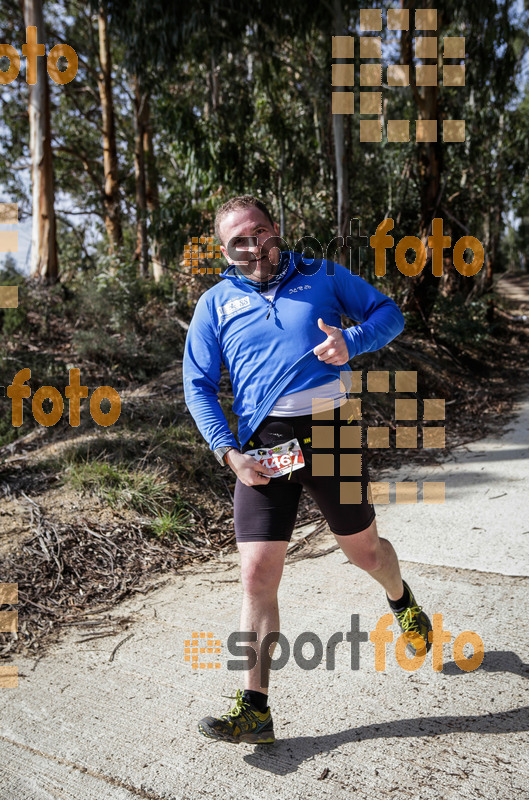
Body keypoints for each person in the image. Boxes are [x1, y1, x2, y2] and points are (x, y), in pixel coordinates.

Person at [182, 195, 432, 745]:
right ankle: (255, 709)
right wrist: (228, 451)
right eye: (238, 241)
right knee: (255, 575)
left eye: (260, 233)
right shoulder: (216, 304)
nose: (254, 247)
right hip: (263, 446)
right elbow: (197, 386)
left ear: (276, 228)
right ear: (225, 251)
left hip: (333, 432)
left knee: (364, 552)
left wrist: (353, 341)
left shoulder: (322, 275)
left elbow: (389, 313)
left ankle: (400, 598)